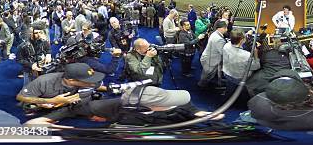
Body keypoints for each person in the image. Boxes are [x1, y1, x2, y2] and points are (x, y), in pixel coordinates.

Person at [85, 86, 224, 126]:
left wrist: (208, 115)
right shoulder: (118, 107)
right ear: (149, 107)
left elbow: (192, 110)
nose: (173, 103)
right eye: (166, 102)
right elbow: (87, 107)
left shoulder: (181, 105)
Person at [17, 63, 107, 123]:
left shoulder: (88, 85)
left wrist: (110, 88)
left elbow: (95, 86)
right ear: (71, 80)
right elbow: (20, 97)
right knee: (28, 107)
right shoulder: (44, 81)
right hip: (45, 102)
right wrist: (49, 101)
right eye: (88, 81)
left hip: (69, 105)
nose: (93, 83)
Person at [222, 29, 260, 96]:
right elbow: (257, 66)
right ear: (241, 40)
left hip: (227, 73)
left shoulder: (226, 46)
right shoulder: (246, 55)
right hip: (239, 78)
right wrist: (256, 54)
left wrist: (247, 35)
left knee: (229, 90)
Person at [198, 20, 228, 88]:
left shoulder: (215, 33)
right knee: (206, 77)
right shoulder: (219, 39)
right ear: (221, 28)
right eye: (225, 28)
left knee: (207, 75)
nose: (227, 29)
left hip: (208, 59)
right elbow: (223, 52)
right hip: (210, 61)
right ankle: (202, 89)